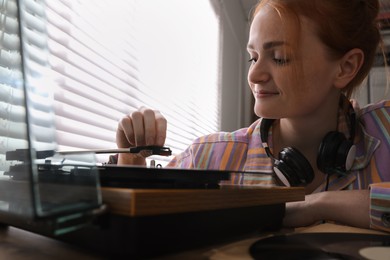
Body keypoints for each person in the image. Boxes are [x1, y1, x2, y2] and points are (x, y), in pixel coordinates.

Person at [116, 0, 390, 232]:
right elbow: (132, 227)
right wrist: (131, 160)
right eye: (253, 57)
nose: (254, 75)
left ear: (345, 67)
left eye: (280, 57)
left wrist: (317, 205)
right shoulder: (209, 157)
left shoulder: (385, 130)